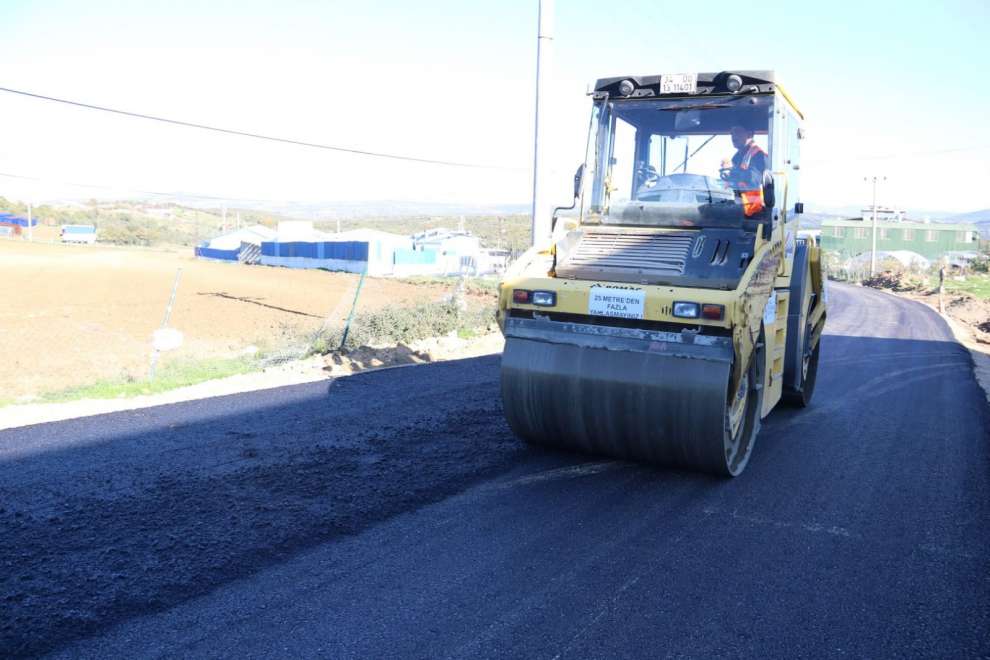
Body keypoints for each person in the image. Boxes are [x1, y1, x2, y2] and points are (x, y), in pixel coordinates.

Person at [721, 126, 769, 217]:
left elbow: (754, 180)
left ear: (749, 134)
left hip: (754, 212)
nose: (733, 136)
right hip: (739, 208)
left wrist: (733, 172)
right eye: (732, 133)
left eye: (737, 132)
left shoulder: (759, 155)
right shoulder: (737, 157)